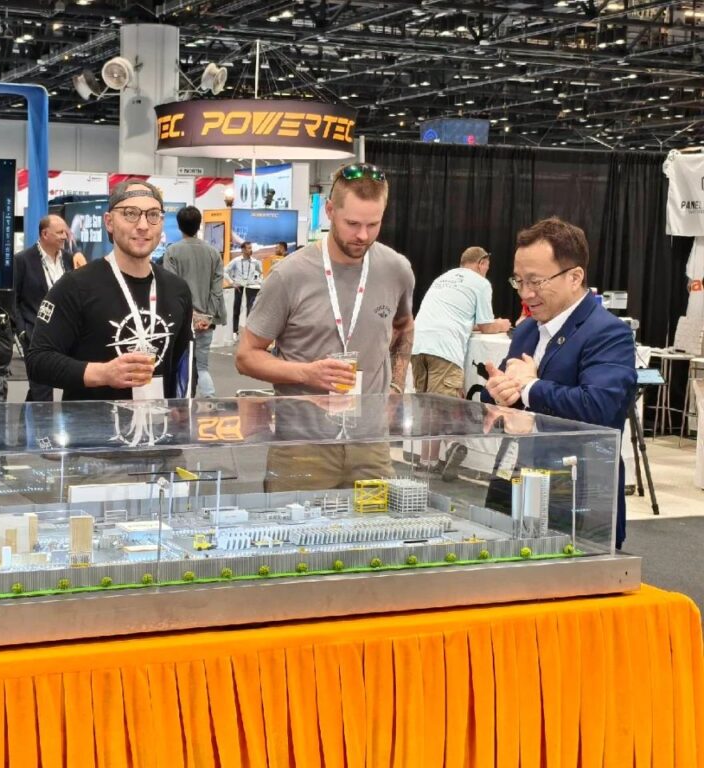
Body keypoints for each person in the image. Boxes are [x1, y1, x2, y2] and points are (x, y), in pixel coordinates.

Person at [235, 162, 415, 489]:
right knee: (294, 522)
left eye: (373, 224)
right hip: (302, 447)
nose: (363, 235)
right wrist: (307, 373)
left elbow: (404, 327)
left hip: (371, 446)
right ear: (330, 211)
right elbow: (246, 356)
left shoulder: (396, 269)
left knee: (377, 522)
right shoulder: (290, 275)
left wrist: (395, 388)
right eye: (352, 224)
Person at [481, 217, 636, 547]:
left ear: (574, 277)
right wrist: (497, 395)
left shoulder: (608, 333)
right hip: (516, 491)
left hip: (578, 501)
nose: (526, 293)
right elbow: (511, 398)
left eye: (536, 281)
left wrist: (529, 387)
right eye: (519, 280)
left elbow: (599, 407)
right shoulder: (526, 330)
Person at [26, 180, 193, 401]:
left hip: (159, 420)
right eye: (130, 213)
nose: (143, 225)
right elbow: (38, 361)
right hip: (93, 422)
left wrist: (182, 410)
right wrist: (102, 374)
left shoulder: (177, 290)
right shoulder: (75, 286)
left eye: (153, 215)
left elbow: (185, 363)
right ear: (109, 222)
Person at [411, 246, 512, 478]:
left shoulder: (443, 278)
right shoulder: (480, 283)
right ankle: (453, 444)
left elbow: (457, 316)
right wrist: (503, 324)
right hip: (445, 347)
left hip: (418, 344)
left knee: (428, 405)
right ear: (481, 263)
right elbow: (486, 326)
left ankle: (427, 463)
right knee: (444, 404)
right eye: (487, 266)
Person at [162, 205, 227, 397]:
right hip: (206, 321)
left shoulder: (172, 252)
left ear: (179, 225)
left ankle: (182, 403)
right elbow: (217, 290)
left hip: (181, 321)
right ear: (199, 225)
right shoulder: (213, 253)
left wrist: (192, 316)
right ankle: (210, 400)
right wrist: (206, 317)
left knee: (179, 364)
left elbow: (171, 289)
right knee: (202, 366)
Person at [14, 214, 75, 401]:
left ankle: (29, 418)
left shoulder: (69, 260)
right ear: (45, 234)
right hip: (35, 333)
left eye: (65, 232)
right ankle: (42, 420)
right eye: (59, 232)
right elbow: (13, 299)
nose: (64, 236)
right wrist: (22, 331)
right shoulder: (23, 260)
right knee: (41, 387)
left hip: (64, 334)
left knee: (57, 384)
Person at [226, 241, 262, 338]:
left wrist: (258, 282)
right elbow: (225, 271)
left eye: (251, 248)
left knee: (250, 309)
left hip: (251, 287)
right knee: (236, 309)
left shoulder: (255, 261)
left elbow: (260, 273)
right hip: (239, 287)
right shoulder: (236, 261)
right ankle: (235, 331)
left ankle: (249, 332)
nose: (251, 250)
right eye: (249, 248)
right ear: (243, 250)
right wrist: (232, 282)